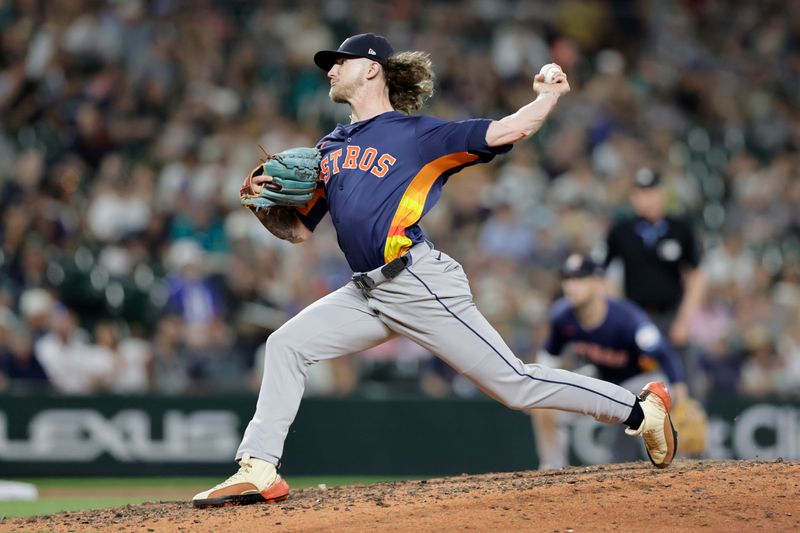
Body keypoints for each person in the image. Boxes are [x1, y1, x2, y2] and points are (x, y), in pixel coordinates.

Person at [192, 33, 678, 508]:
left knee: (515, 383)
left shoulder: (418, 134)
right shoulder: (329, 147)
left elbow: (507, 130)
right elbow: (300, 232)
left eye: (340, 61)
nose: (332, 69)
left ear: (371, 68)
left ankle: (640, 409)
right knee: (285, 344)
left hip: (417, 281)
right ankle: (259, 466)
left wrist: (547, 96)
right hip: (365, 293)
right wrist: (267, 210)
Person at [531, 254, 689, 469]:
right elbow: (549, 357)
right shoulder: (562, 316)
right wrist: (537, 388)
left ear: (597, 282)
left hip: (640, 380)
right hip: (604, 382)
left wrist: (681, 393)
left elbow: (663, 352)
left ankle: (670, 468)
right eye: (566, 278)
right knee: (545, 405)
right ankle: (550, 469)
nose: (570, 285)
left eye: (579, 278)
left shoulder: (626, 318)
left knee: (656, 400)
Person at [604, 168, 707, 352]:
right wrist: (621, 312)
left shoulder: (680, 228)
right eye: (640, 193)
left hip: (671, 316)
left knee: (679, 373)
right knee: (634, 377)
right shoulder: (621, 231)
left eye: (651, 192)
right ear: (632, 197)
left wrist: (684, 320)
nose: (646, 198)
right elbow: (600, 274)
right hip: (636, 316)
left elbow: (697, 276)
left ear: (662, 193)